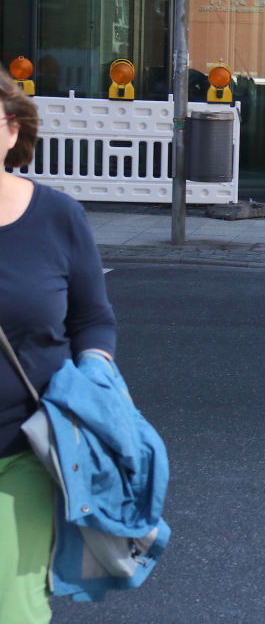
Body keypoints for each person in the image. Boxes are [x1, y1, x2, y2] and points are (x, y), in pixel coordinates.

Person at [0, 69, 117, 624]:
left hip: (20, 447)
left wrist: (95, 376)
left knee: (13, 608)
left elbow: (92, 319)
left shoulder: (58, 217)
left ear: (11, 128)